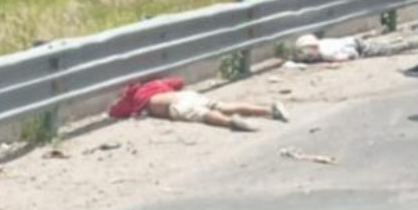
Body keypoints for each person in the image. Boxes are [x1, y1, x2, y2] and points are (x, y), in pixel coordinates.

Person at [108, 76, 290, 132]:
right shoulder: (156, 85)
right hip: (185, 95)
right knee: (223, 105)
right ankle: (269, 110)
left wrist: (118, 103)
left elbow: (115, 112)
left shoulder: (135, 100)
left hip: (174, 106)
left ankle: (231, 123)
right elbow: (178, 81)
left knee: (203, 115)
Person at [292, 33, 418, 64]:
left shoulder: (325, 52)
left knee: (391, 48)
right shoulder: (324, 43)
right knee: (386, 43)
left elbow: (346, 56)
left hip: (358, 48)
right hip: (354, 41)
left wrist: (350, 57)